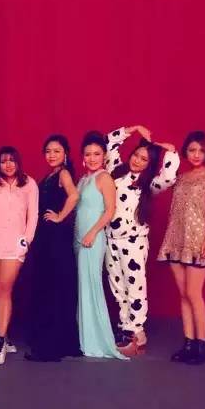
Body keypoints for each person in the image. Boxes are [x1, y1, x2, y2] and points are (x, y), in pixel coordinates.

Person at [103, 125, 180, 355]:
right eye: (136, 155)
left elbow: (169, 176)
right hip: (110, 239)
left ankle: (137, 332)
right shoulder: (115, 171)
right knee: (117, 286)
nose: (137, 160)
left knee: (134, 286)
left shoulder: (149, 184)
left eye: (144, 159)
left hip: (133, 242)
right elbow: (109, 143)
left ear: (150, 164)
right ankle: (125, 328)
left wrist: (165, 148)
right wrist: (134, 128)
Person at [158, 131, 205, 365]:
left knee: (195, 294)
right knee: (184, 295)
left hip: (197, 240)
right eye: (191, 150)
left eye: (201, 150)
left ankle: (202, 346)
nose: (196, 155)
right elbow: (159, 181)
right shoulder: (180, 177)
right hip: (175, 239)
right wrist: (168, 151)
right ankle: (188, 343)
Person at [0, 146, 38, 365]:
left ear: (18, 162)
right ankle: (4, 334)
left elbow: (33, 215)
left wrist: (26, 241)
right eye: (3, 161)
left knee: (4, 288)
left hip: (15, 245)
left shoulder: (29, 184)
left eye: (12, 160)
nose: (8, 165)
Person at [25, 135, 81, 362]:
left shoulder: (63, 174)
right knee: (49, 286)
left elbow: (74, 196)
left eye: (56, 151)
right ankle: (53, 339)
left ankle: (51, 345)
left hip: (55, 237)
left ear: (65, 153)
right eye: (48, 151)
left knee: (53, 286)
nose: (51, 155)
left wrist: (60, 216)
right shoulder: (49, 175)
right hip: (45, 236)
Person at [75, 131, 126, 360]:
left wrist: (92, 232)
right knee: (82, 287)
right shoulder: (83, 179)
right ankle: (84, 337)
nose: (92, 158)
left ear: (104, 155)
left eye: (97, 154)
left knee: (91, 287)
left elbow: (110, 210)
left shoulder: (104, 178)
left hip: (92, 239)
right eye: (88, 154)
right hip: (78, 238)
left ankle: (98, 341)